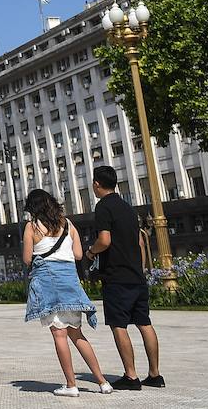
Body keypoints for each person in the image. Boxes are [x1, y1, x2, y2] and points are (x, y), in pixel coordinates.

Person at [22, 189, 112, 398]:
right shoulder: (68, 224)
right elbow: (79, 254)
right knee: (77, 333)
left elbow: (27, 259)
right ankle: (102, 381)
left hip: (47, 284)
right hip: (70, 283)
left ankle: (71, 385)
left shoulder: (32, 226)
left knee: (59, 334)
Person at [88, 165, 165, 390]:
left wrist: (91, 252)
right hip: (136, 276)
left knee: (118, 325)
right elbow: (140, 242)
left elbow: (104, 240)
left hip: (116, 276)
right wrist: (139, 270)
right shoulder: (128, 208)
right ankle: (155, 374)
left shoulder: (103, 207)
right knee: (144, 322)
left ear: (96, 184)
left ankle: (131, 377)